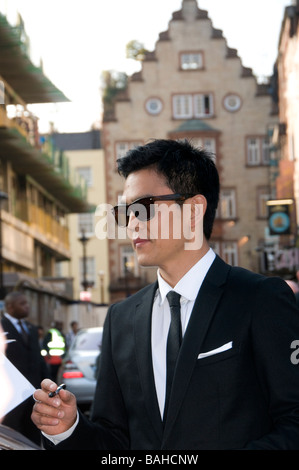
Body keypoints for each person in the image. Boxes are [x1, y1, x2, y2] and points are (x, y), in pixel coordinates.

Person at [32, 139, 299, 450]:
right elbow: (114, 438)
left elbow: (293, 420)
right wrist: (68, 427)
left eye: (143, 208)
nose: (131, 223)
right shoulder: (121, 319)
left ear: (194, 210)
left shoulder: (260, 298)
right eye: (124, 212)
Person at [1, 291, 48, 445]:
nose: (27, 307)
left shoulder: (31, 328)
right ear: (10, 306)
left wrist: (46, 383)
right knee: (12, 436)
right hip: (11, 395)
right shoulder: (2, 327)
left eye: (27, 303)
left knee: (33, 434)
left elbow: (38, 359)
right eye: (22, 304)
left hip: (33, 392)